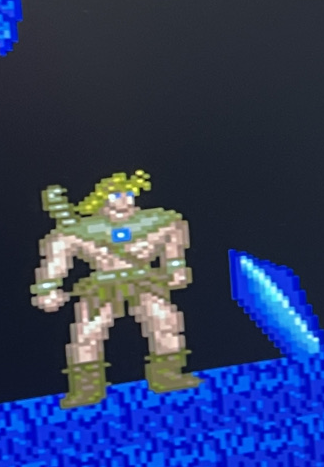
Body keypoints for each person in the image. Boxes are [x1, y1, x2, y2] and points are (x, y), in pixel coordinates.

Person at [31, 171, 200, 408]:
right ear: (100, 199)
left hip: (144, 280)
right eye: (116, 195)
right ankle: (87, 388)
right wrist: (48, 287)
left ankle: (168, 374)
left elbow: (174, 233)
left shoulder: (157, 221)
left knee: (164, 320)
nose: (124, 201)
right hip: (102, 286)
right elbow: (58, 252)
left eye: (129, 193)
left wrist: (175, 266)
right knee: (88, 332)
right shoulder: (80, 231)